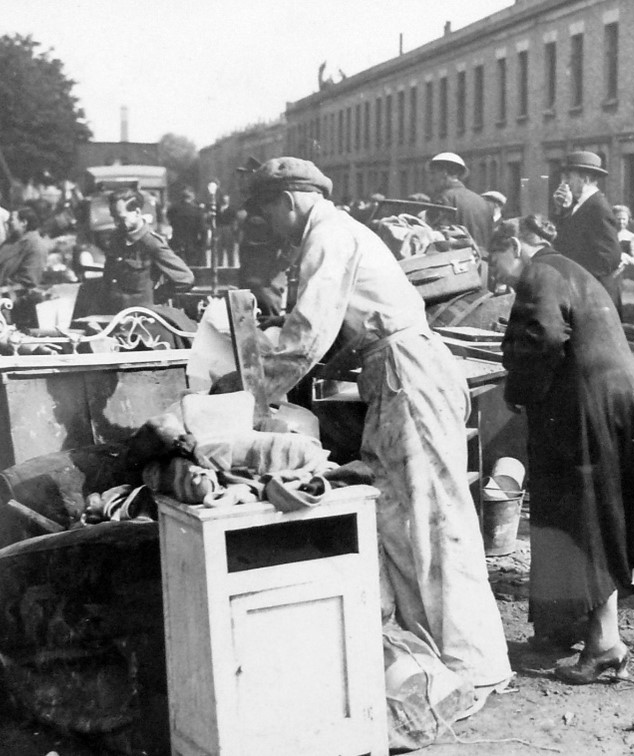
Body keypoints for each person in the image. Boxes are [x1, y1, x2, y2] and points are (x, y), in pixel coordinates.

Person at [244, 156, 511, 698]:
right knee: (407, 518)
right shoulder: (340, 230)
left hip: (405, 371)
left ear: (288, 201)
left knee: (430, 519)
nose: (269, 226)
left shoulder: (328, 235)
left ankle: (472, 668)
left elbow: (309, 328)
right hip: (401, 368)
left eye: (267, 213)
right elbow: (338, 331)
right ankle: (442, 659)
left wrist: (255, 394)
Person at [490, 215, 634, 683]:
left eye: (492, 260)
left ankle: (604, 644)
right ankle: (560, 626)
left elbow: (545, 337)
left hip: (588, 409)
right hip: (617, 402)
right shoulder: (570, 270)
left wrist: (518, 387)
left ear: (514, 246)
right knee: (582, 516)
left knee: (583, 521)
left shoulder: (540, 273)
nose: (493, 273)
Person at [100, 189, 194, 313]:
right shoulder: (116, 239)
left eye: (121, 218)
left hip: (142, 319)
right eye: (114, 218)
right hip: (114, 315)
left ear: (137, 212)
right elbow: (108, 278)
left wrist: (155, 296)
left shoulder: (151, 243)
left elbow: (185, 278)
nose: (116, 223)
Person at [551, 151, 623, 311]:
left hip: (596, 299)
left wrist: (575, 278)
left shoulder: (598, 208)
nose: (564, 183)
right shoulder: (581, 205)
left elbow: (610, 258)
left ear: (585, 179)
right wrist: (561, 209)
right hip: (584, 295)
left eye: (568, 177)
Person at [0, 207, 49, 328]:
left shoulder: (35, 245)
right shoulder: (13, 240)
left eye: (11, 220)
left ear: (24, 223)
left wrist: (0, 293)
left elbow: (28, 281)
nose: (7, 223)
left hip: (10, 311)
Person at [428, 152, 494, 253]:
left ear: (444, 173)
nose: (431, 179)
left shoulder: (443, 198)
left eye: (433, 173)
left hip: (457, 263)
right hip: (483, 263)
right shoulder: (482, 201)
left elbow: (436, 240)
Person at [167, 188, 206, 266]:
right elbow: (202, 229)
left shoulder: (173, 209)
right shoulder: (197, 210)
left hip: (177, 241)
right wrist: (202, 243)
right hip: (192, 242)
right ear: (192, 197)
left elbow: (170, 220)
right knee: (193, 266)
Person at [612, 204, 634, 272]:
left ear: (628, 220)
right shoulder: (607, 234)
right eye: (618, 219)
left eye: (624, 219)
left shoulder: (633, 238)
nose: (621, 222)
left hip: (624, 273)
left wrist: (623, 256)